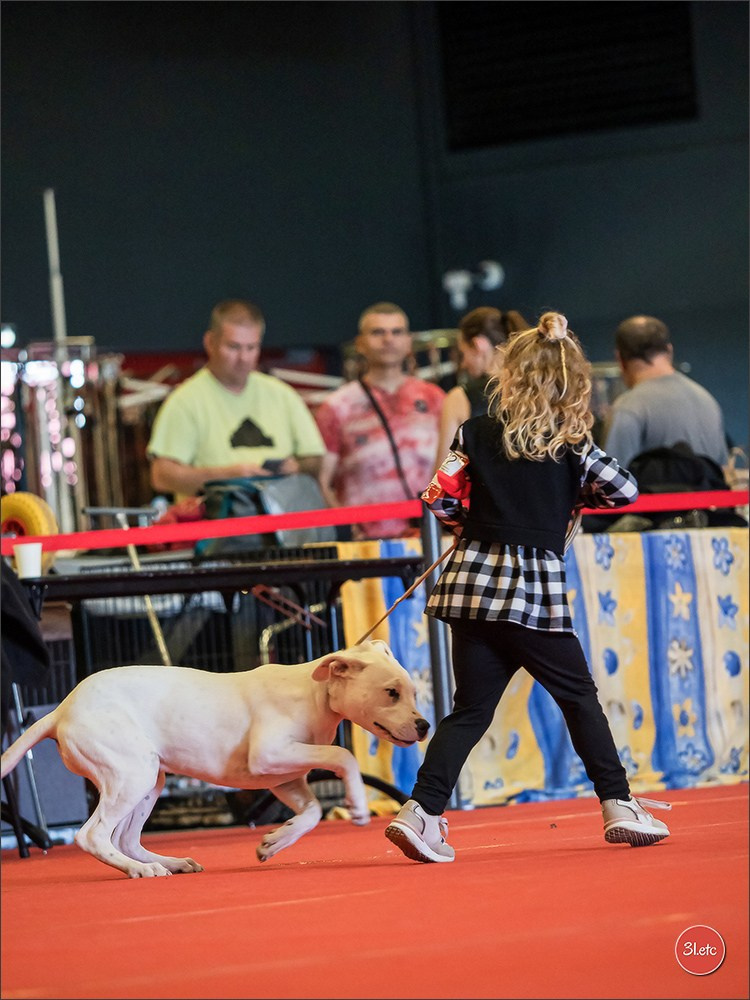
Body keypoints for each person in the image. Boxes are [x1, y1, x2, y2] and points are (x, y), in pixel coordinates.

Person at [384, 311, 672, 864]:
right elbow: (626, 491)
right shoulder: (573, 442)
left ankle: (421, 811)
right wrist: (575, 492)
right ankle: (618, 804)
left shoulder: (474, 432)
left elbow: (437, 493)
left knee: (469, 709)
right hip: (531, 595)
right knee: (578, 698)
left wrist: (467, 522)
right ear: (572, 382)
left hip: (469, 586)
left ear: (509, 374)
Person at [147, 299, 326, 500]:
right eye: (233, 347)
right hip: (218, 523)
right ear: (210, 343)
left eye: (251, 348)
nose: (243, 358)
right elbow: (161, 476)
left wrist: (296, 467)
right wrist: (226, 477)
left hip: (281, 520)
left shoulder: (282, 394)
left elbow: (315, 458)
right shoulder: (185, 400)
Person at [315, 301, 446, 539]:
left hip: (429, 536)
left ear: (408, 341)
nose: (388, 339)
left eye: (397, 332)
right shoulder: (337, 406)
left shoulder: (434, 398)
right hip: (366, 543)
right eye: (378, 332)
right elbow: (321, 481)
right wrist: (347, 529)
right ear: (360, 343)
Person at [603, 314, 729, 469]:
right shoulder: (706, 399)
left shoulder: (628, 406)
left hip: (652, 493)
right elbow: (724, 470)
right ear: (669, 350)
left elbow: (611, 479)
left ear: (620, 359)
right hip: (712, 494)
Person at [435, 306, 529, 465]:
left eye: (463, 353)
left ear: (479, 344)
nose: (464, 364)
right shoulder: (537, 388)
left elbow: (442, 475)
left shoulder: (459, 399)